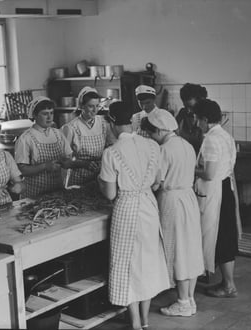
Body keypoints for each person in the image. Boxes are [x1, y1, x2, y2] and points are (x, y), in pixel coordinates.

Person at [98, 101, 170, 330]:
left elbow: (110, 194)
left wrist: (100, 182)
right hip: (148, 205)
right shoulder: (152, 146)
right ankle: (146, 319)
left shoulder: (111, 152)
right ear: (132, 121)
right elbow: (158, 182)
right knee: (146, 261)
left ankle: (136, 322)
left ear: (111, 122)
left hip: (126, 207)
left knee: (127, 264)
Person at [140, 109, 204, 317]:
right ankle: (190, 299)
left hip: (172, 200)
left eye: (151, 134)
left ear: (159, 130)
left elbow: (157, 182)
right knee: (190, 249)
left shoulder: (165, 149)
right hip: (188, 198)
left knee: (178, 251)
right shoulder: (186, 145)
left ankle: (183, 302)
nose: (151, 138)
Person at [194, 99, 241, 298]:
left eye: (197, 119)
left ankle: (229, 285)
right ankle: (227, 282)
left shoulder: (211, 139)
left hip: (217, 192)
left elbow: (210, 173)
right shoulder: (225, 135)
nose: (196, 124)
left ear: (205, 119)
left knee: (220, 238)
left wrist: (190, 167)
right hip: (226, 190)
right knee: (226, 237)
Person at [15, 96, 73, 198]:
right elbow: (22, 170)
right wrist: (45, 166)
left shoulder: (58, 133)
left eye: (51, 113)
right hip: (33, 194)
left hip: (57, 192)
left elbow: (68, 157)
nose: (50, 117)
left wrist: (66, 162)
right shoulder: (26, 138)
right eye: (45, 114)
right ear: (35, 115)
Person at [61, 87, 112, 186]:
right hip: (78, 178)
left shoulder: (103, 124)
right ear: (82, 106)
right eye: (90, 106)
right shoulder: (71, 128)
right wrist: (84, 164)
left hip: (100, 176)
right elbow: (64, 161)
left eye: (97, 106)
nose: (95, 110)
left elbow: (110, 147)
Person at [176, 83, 208, 154]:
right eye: (185, 106)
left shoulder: (206, 119)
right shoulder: (182, 113)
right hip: (183, 154)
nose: (188, 110)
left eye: (191, 107)